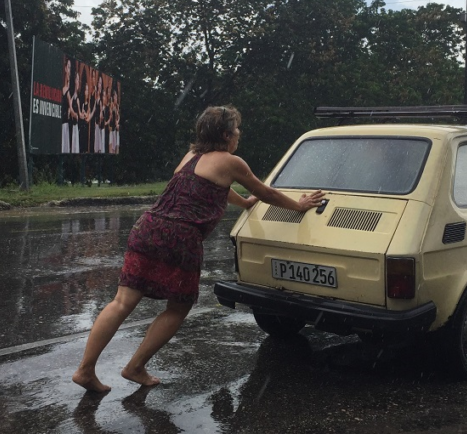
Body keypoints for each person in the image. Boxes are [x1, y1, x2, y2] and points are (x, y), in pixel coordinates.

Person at [72, 105, 325, 393]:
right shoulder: (232, 161)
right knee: (177, 308)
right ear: (227, 134)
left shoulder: (191, 157)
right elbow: (265, 192)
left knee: (121, 303)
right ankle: (135, 367)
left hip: (148, 228)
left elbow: (209, 185)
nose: (239, 135)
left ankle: (84, 370)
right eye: (237, 130)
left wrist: (242, 203)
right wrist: (299, 205)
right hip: (180, 237)